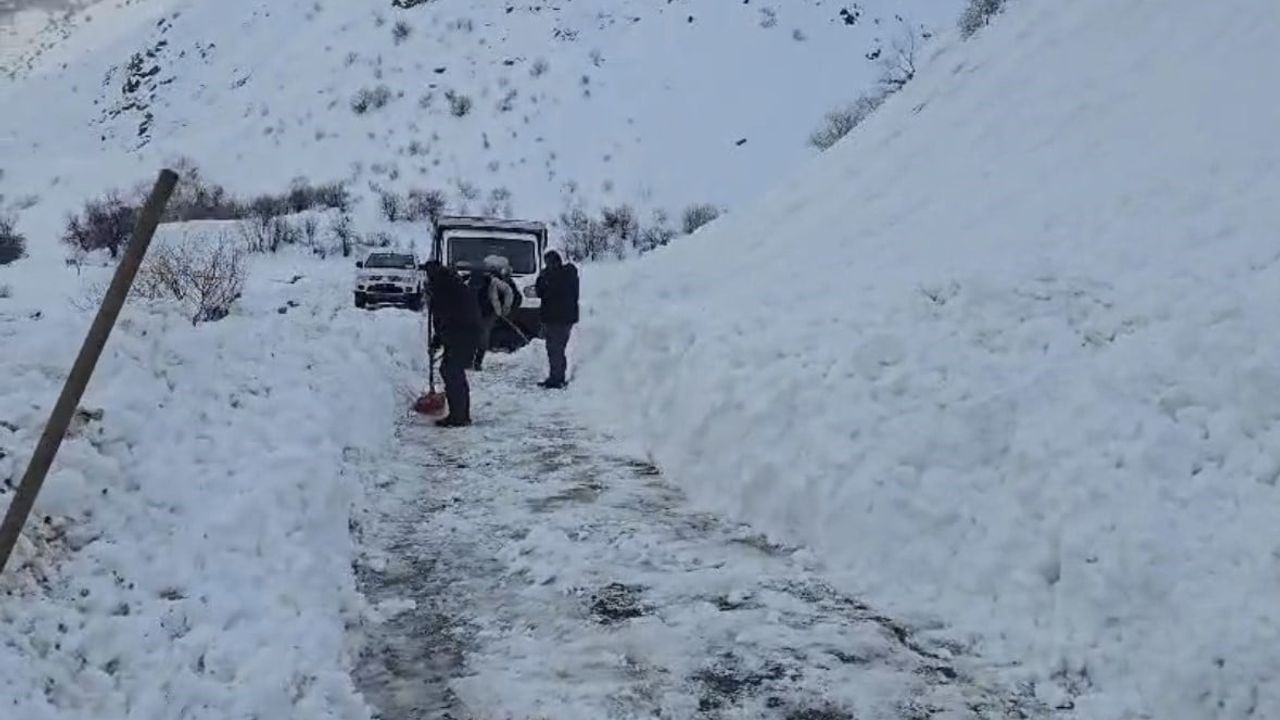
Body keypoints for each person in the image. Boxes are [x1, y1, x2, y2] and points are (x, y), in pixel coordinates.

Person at [425, 260, 481, 427]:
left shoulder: (444, 288)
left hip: (462, 334)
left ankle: (460, 417)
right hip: (462, 333)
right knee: (452, 372)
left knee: (452, 372)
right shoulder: (449, 284)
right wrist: (438, 340)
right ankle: (460, 414)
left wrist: (439, 340)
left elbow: (446, 317)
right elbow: (443, 319)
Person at [533, 249, 579, 389]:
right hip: (567, 318)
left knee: (554, 349)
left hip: (554, 318)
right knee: (558, 348)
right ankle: (557, 376)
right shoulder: (570, 275)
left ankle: (556, 379)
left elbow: (541, 292)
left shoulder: (549, 276)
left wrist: (541, 278)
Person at [469, 255, 515, 370]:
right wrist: (505, 307)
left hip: (487, 313)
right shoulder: (473, 280)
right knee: (480, 337)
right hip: (478, 312)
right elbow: (508, 291)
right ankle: (474, 361)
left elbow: (508, 291)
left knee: (481, 337)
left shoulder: (491, 281)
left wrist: (505, 307)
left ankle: (476, 362)